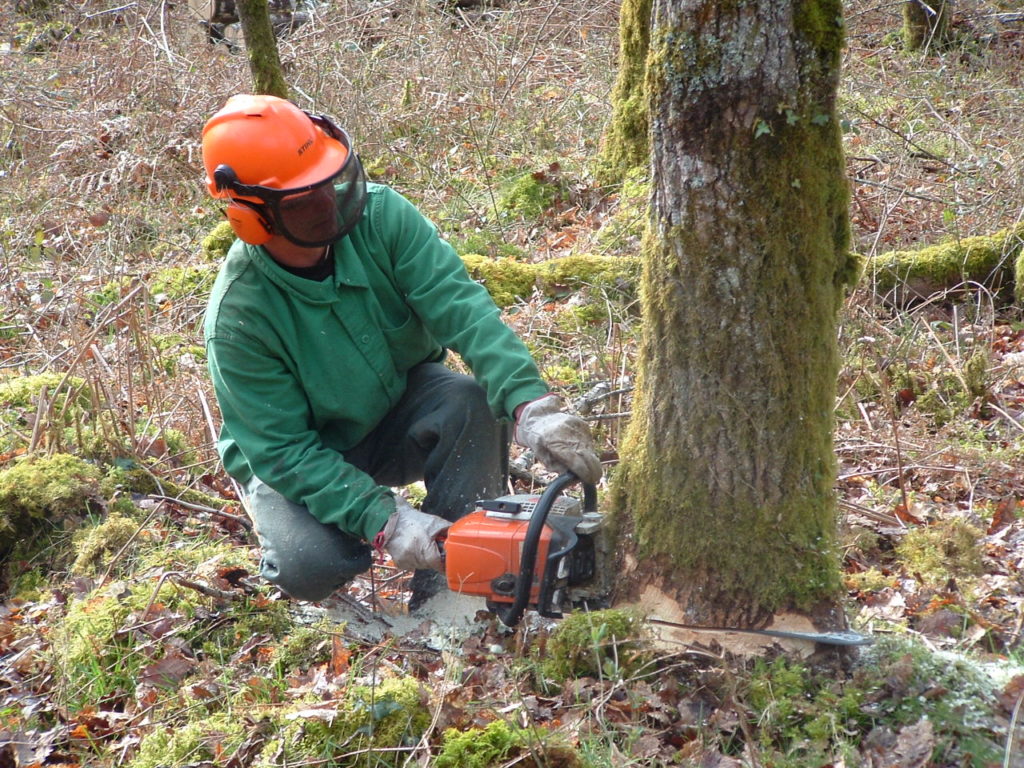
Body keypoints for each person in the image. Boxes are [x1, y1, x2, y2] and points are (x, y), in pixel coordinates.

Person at [201, 94, 602, 609]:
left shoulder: (383, 217)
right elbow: (282, 450)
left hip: (393, 407)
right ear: (254, 218)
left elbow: (464, 309)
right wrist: (387, 519)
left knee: (469, 400)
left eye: (334, 184)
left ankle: (457, 589)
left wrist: (529, 403)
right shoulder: (240, 316)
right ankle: (328, 542)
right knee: (310, 564)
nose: (331, 205)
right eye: (306, 202)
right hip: (298, 455)